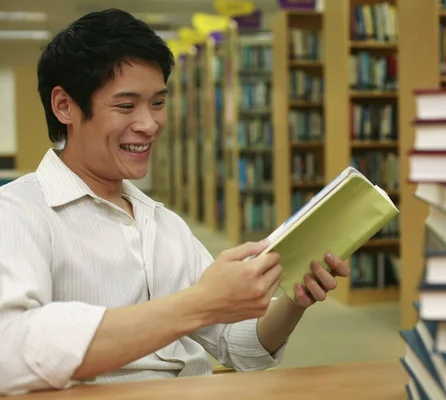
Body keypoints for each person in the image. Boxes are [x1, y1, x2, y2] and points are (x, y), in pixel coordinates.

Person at [0, 8, 350, 396]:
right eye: (126, 106)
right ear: (64, 106)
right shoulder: (18, 212)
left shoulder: (162, 223)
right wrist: (199, 303)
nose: (149, 125)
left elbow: (241, 350)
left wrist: (292, 301)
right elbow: (10, 352)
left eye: (158, 103)